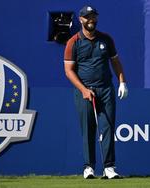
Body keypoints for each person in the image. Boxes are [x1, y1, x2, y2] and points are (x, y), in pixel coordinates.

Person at [64, 5, 128, 179]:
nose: (90, 19)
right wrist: (84, 90)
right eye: (87, 17)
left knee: (107, 128)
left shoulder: (106, 39)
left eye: (93, 16)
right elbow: (69, 71)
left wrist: (122, 82)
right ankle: (89, 167)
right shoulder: (74, 42)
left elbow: (115, 61)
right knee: (89, 129)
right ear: (81, 19)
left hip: (106, 89)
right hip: (84, 91)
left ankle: (109, 168)